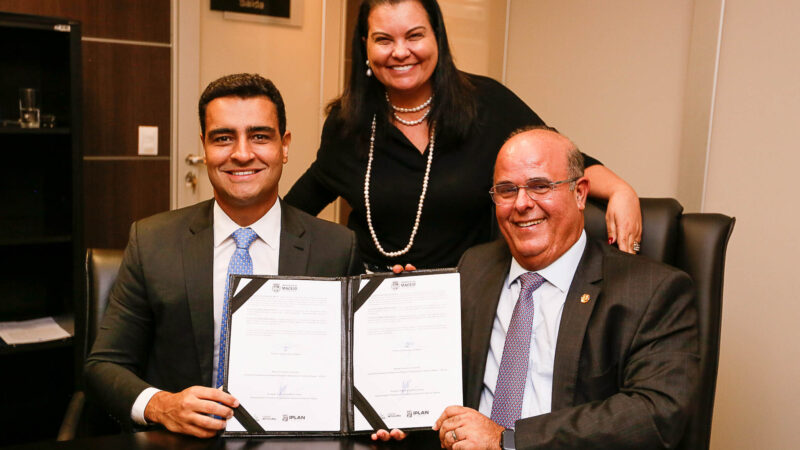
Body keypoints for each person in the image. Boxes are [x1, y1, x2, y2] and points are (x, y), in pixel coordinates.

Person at [375, 126, 698, 448]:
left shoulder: (653, 290)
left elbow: (657, 413)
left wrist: (508, 441)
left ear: (580, 192)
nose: (522, 203)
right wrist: (410, 315)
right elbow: (436, 376)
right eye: (506, 190)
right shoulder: (474, 267)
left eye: (540, 186)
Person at [84, 74, 361, 438]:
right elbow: (104, 365)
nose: (242, 153)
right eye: (223, 138)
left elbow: (355, 372)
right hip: (181, 443)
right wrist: (162, 405)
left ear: (285, 146)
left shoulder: (336, 248)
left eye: (259, 136)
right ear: (204, 147)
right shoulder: (152, 241)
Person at [285, 0, 641, 271]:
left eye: (414, 35)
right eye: (383, 40)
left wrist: (621, 191)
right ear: (365, 45)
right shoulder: (347, 122)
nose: (399, 52)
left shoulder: (486, 104)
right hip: (372, 304)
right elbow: (297, 209)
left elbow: (561, 164)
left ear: (436, 37)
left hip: (468, 303)